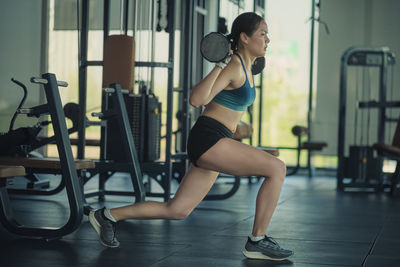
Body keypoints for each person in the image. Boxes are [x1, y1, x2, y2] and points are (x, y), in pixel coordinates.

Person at [89, 12, 293, 261]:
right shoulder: (234, 66)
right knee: (276, 169)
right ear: (244, 38)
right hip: (209, 139)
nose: (267, 39)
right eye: (262, 33)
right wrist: (219, 66)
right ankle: (257, 240)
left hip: (217, 138)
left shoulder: (247, 67)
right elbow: (197, 100)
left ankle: (107, 215)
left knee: (177, 209)